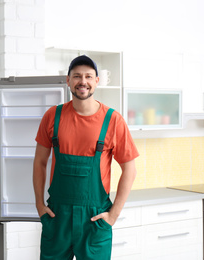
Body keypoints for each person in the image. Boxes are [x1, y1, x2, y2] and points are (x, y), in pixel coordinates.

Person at [33, 55, 139, 260]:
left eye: (89, 76)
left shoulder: (113, 120)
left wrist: (113, 214)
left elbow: (130, 169)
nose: (83, 81)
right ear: (68, 80)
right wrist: (39, 204)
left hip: (95, 221)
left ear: (96, 81)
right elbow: (39, 162)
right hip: (57, 218)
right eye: (77, 76)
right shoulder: (52, 116)